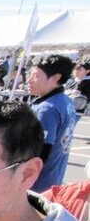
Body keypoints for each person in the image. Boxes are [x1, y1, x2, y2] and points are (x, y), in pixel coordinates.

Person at [28, 54, 78, 192]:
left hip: (37, 183)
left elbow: (41, 150)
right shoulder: (66, 101)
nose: (29, 80)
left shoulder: (47, 109)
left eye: (36, 75)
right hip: (54, 177)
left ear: (56, 77)